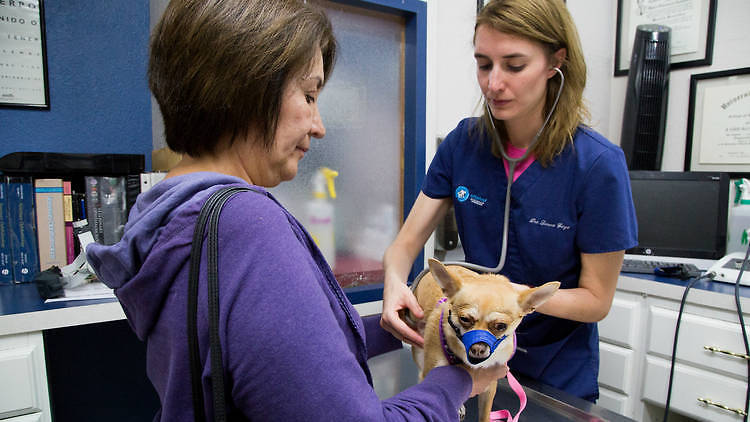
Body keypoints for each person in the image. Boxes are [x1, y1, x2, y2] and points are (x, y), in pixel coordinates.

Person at [86, 0, 506, 420]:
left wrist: (385, 332)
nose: (319, 125)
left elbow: (259, 354)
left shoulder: (168, 210)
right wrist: (457, 382)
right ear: (247, 89)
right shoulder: (246, 224)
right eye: (308, 95)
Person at [380, 0, 637, 403]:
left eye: (514, 66)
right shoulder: (463, 145)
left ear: (556, 62)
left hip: (554, 372)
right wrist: (394, 283)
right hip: (470, 359)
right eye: (484, 64)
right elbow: (404, 246)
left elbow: (596, 301)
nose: (493, 83)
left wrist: (513, 299)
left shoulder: (598, 165)